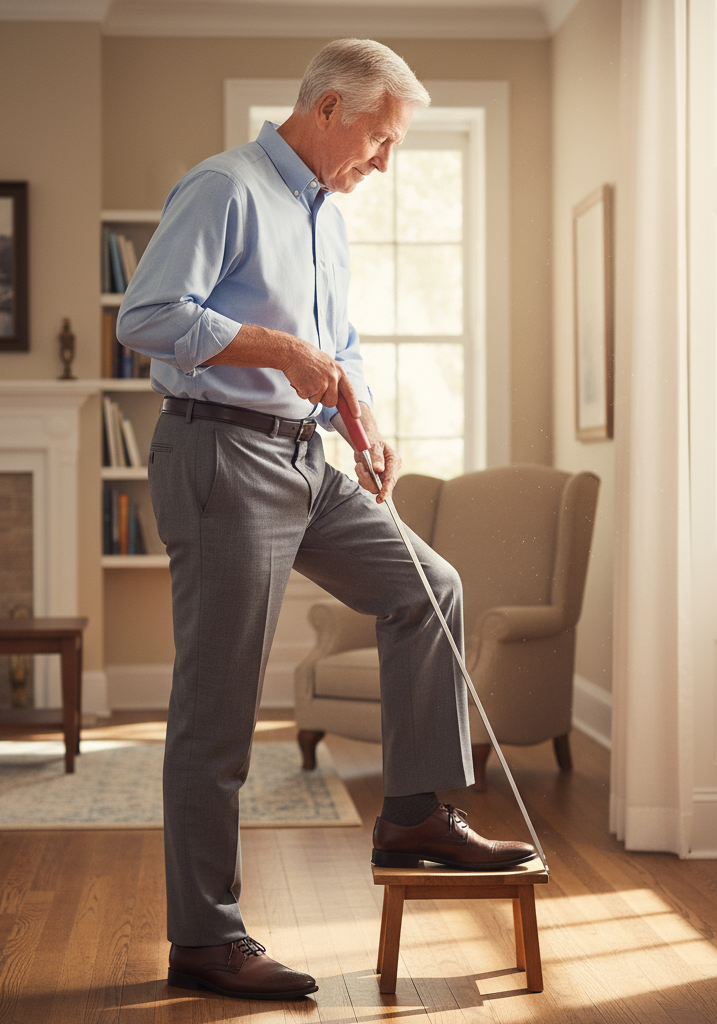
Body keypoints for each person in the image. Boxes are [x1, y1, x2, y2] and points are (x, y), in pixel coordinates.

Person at [117, 38, 534, 1002]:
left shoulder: (326, 218)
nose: (385, 164)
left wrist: (366, 419)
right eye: (382, 141)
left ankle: (416, 813)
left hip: (309, 457)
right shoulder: (222, 188)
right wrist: (272, 348)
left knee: (429, 587)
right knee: (218, 710)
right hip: (223, 454)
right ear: (333, 110)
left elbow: (338, 348)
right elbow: (146, 316)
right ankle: (206, 938)